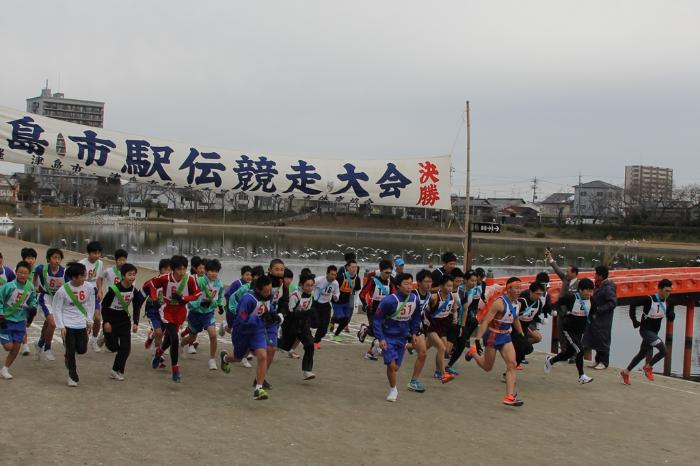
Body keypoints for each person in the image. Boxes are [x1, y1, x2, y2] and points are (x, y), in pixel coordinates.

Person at [467, 277, 525, 407]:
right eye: (516, 288)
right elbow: (486, 321)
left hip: (506, 337)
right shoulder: (499, 303)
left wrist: (521, 334)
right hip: (493, 336)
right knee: (488, 367)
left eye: (520, 288)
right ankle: (473, 352)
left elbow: (515, 319)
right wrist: (477, 339)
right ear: (508, 288)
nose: (518, 291)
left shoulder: (518, 304)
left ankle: (509, 396)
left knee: (512, 364)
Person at [148, 255, 201, 382]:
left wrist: (184, 299)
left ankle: (159, 352)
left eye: (184, 269)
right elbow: (151, 285)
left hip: (181, 311)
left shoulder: (189, 279)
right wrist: (155, 299)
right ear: (172, 269)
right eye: (179, 269)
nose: (182, 272)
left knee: (170, 339)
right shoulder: (165, 278)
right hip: (167, 311)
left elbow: (197, 293)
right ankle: (175, 370)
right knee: (175, 338)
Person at [220, 275, 273, 400]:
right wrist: (258, 319)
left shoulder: (268, 296)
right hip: (241, 333)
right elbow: (242, 318)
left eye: (270, 290)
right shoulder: (247, 299)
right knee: (238, 358)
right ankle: (226, 358)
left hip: (257, 332)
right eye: (267, 291)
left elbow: (269, 309)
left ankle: (258, 388)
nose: (269, 293)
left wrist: (274, 316)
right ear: (259, 290)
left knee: (263, 355)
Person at [373, 272, 421, 402]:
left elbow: (416, 318)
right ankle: (393, 389)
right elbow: (377, 320)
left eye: (411, 283)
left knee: (396, 367)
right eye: (406, 283)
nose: (409, 286)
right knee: (391, 365)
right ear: (398, 285)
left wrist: (414, 333)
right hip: (388, 336)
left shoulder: (414, 299)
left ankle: (378, 349)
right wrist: (381, 338)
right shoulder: (388, 301)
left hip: (403, 337)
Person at [620, 279, 675, 385]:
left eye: (670, 291)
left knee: (642, 354)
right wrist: (634, 320)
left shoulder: (668, 302)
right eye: (666, 290)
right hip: (645, 331)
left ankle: (625, 372)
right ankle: (648, 367)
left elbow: (670, 315)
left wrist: (672, 315)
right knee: (664, 351)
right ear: (659, 289)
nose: (668, 293)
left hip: (654, 333)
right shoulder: (649, 299)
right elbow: (633, 304)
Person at [52, 262, 96, 386]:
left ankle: (69, 355)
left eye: (84, 275)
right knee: (71, 350)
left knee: (82, 349)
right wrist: (61, 326)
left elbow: (91, 304)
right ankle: (72, 375)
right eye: (82, 276)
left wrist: (89, 320)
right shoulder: (63, 291)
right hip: (68, 324)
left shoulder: (88, 287)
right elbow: (57, 308)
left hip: (81, 322)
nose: (84, 278)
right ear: (74, 277)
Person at [544, 278, 595, 384]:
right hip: (568, 329)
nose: (590, 293)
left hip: (579, 331)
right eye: (587, 290)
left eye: (591, 290)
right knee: (580, 350)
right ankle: (582, 376)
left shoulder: (592, 300)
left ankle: (550, 361)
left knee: (568, 354)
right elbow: (556, 304)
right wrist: (561, 312)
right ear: (580, 290)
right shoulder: (571, 297)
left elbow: (593, 313)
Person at [100, 263, 145, 380]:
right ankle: (106, 338)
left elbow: (136, 307)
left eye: (134, 275)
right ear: (123, 275)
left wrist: (135, 322)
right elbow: (104, 306)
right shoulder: (114, 289)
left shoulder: (134, 291)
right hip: (111, 320)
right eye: (129, 274)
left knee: (126, 348)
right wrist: (106, 322)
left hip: (124, 321)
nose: (132, 277)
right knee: (114, 347)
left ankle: (116, 370)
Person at [181, 259, 225, 370]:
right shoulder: (199, 282)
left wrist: (220, 306)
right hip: (195, 314)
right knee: (191, 337)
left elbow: (219, 297)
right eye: (211, 271)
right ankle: (181, 345)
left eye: (216, 271)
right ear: (206, 271)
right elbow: (189, 300)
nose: (213, 273)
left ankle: (212, 360)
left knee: (213, 335)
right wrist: (200, 303)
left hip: (208, 314)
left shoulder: (219, 283)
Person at [0, 261, 38, 379]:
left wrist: (33, 307)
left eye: (25, 273)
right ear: (16, 272)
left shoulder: (30, 287)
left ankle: (5, 369)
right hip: (6, 320)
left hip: (20, 321)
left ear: (28, 274)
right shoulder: (8, 286)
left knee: (16, 347)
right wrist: (1, 313)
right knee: (8, 347)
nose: (22, 275)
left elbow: (33, 300)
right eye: (20, 272)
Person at [278, 273, 317, 380]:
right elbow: (289, 313)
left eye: (311, 285)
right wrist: (306, 313)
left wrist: (313, 320)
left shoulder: (310, 296)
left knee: (310, 345)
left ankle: (307, 371)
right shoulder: (295, 296)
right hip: (291, 326)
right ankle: (271, 343)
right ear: (301, 285)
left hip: (303, 326)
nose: (310, 288)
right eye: (307, 285)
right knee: (284, 346)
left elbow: (308, 311)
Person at [224, 265, 264, 368]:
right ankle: (241, 356)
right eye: (255, 276)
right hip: (234, 311)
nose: (250, 277)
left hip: (246, 316)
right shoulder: (244, 288)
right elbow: (230, 296)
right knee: (239, 334)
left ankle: (246, 354)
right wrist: (227, 306)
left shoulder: (262, 289)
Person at [545, 248, 580, 359]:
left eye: (568, 272)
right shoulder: (565, 279)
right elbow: (557, 269)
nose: (566, 273)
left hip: (571, 314)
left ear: (574, 273)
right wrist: (550, 258)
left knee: (571, 335)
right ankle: (564, 352)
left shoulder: (579, 285)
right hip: (561, 311)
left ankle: (574, 354)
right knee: (561, 333)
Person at [31, 248, 65, 361]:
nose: (57, 260)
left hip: (57, 300)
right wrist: (35, 287)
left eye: (59, 258)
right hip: (45, 298)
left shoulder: (64, 272)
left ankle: (40, 343)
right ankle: (48, 348)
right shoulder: (42, 268)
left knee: (47, 324)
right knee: (52, 323)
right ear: (49, 259)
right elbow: (34, 276)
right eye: (54, 257)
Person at [424, 274, 458, 383]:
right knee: (442, 348)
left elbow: (455, 309)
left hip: (443, 326)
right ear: (441, 286)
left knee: (423, 348)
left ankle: (406, 346)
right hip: (432, 326)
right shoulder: (434, 297)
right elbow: (424, 310)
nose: (450, 288)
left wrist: (455, 317)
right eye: (448, 286)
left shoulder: (453, 296)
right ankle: (443, 374)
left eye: (451, 286)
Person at [358, 260, 395, 360]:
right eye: (386, 272)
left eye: (390, 273)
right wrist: (365, 305)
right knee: (376, 332)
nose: (388, 275)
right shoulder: (373, 281)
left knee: (383, 331)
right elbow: (361, 294)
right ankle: (364, 329)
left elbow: (394, 296)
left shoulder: (391, 282)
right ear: (381, 271)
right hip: (372, 309)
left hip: (385, 312)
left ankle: (371, 353)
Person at [584, 265, 617, 370]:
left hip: (604, 319)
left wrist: (598, 309)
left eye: (596, 274)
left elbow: (613, 303)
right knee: (596, 338)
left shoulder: (608, 287)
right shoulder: (600, 285)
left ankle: (604, 362)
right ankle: (598, 360)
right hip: (596, 318)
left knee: (603, 339)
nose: (594, 276)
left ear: (601, 276)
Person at [446, 269, 480, 373]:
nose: (474, 283)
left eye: (475, 281)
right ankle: (442, 366)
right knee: (449, 344)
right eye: (472, 280)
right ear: (465, 280)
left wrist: (463, 326)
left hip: (461, 321)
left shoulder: (474, 291)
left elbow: (467, 309)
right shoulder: (458, 290)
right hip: (452, 320)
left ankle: (449, 365)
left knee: (461, 344)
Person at [406, 269, 432, 393]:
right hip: (403, 326)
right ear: (419, 282)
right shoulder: (412, 294)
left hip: (417, 327)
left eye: (430, 282)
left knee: (423, 353)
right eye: (426, 281)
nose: (429, 284)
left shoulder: (428, 295)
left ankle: (413, 381)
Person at [143, 259, 171, 363]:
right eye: (166, 269)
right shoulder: (152, 282)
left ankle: (151, 337)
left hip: (164, 312)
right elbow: (142, 293)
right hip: (152, 311)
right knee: (159, 332)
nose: (169, 272)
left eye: (171, 270)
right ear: (160, 270)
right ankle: (158, 354)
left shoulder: (172, 284)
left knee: (160, 333)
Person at [78, 241, 104, 353]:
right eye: (94, 253)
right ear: (89, 253)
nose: (97, 255)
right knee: (83, 319)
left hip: (94, 292)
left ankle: (93, 340)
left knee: (97, 318)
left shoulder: (100, 263)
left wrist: (100, 290)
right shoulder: (81, 264)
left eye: (99, 253)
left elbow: (99, 278)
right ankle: (81, 341)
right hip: (83, 292)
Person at [514, 282, 546, 368]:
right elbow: (512, 314)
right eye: (537, 294)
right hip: (514, 329)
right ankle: (510, 370)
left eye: (541, 294)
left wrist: (541, 320)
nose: (539, 296)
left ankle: (514, 364)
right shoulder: (522, 301)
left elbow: (534, 316)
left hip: (524, 329)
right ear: (531, 292)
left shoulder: (539, 303)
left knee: (528, 349)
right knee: (520, 348)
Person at [311, 265, 339, 349]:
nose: (333, 276)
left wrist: (336, 297)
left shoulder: (335, 283)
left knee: (324, 327)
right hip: (316, 303)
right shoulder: (319, 280)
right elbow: (310, 285)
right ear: (327, 274)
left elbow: (337, 293)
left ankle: (315, 341)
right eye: (331, 274)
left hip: (326, 305)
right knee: (316, 323)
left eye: (335, 275)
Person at [331, 260, 361, 342]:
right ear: (347, 267)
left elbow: (357, 290)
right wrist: (333, 296)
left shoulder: (357, 278)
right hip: (337, 302)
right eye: (352, 267)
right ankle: (335, 334)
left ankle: (333, 321)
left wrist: (356, 301)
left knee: (346, 320)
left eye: (356, 267)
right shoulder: (341, 277)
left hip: (346, 302)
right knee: (343, 319)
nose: (354, 269)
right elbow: (332, 286)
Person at [19, 248, 38, 356]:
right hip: (20, 300)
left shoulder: (37, 270)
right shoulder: (18, 270)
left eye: (32, 258)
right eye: (28, 258)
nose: (31, 260)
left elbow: (38, 283)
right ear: (24, 259)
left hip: (32, 300)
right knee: (22, 321)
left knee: (28, 321)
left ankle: (22, 333)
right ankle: (25, 345)